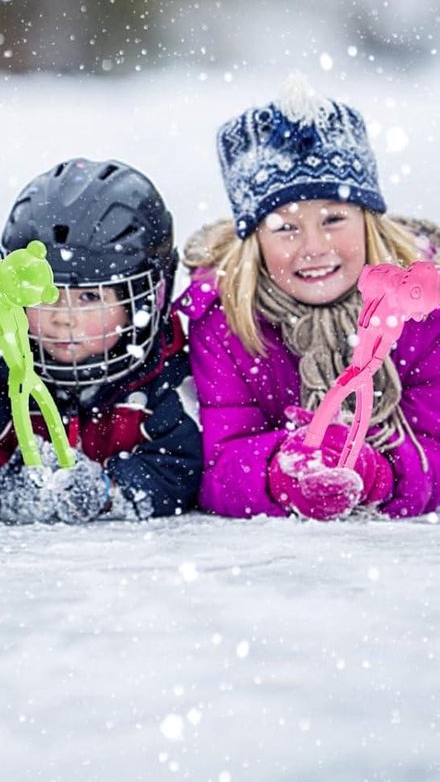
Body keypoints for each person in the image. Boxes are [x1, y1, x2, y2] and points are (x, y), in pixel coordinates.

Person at [181, 80, 440, 520]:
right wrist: (281, 471)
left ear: (368, 221)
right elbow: (219, 465)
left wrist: (380, 473)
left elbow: (435, 444)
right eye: (286, 227)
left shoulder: (422, 310)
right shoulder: (226, 322)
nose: (314, 247)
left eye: (333, 219)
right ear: (255, 240)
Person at [0, 159, 201, 523]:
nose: (62, 317)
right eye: (43, 294)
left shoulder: (168, 377)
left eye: (89, 297)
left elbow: (180, 470)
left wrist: (107, 490)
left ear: (144, 301)